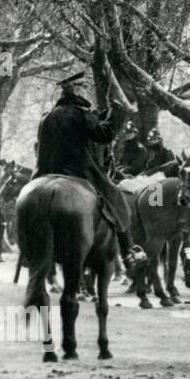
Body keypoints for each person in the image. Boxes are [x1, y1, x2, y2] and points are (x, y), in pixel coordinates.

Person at [33, 71, 145, 271]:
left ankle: (29, 252)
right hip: (79, 171)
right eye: (83, 86)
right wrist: (117, 114)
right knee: (116, 196)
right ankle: (129, 252)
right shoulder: (79, 114)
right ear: (74, 89)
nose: (86, 89)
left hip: (45, 172)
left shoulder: (47, 117)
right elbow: (104, 135)